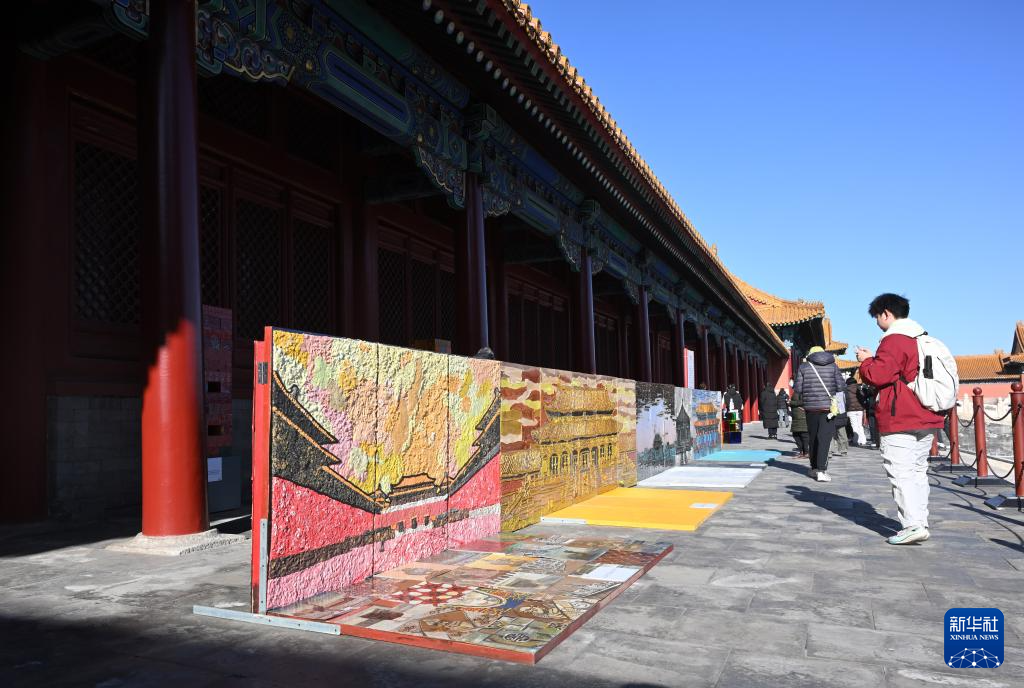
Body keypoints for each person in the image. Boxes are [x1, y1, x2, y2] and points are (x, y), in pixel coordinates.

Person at [856, 293, 946, 545]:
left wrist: (866, 361)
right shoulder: (922, 338)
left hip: (900, 415)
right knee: (918, 471)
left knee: (901, 471)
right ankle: (920, 521)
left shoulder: (894, 339)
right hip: (926, 413)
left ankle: (912, 524)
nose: (877, 322)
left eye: (877, 316)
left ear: (886, 313)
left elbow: (878, 374)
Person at [794, 345, 846, 482]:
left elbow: (798, 388)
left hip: (811, 408)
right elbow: (841, 386)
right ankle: (822, 470)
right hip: (828, 408)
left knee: (813, 438)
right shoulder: (833, 366)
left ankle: (814, 468)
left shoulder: (804, 367)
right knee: (824, 438)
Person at [845, 376, 867, 447]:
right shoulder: (859, 388)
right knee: (860, 425)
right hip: (860, 409)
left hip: (850, 410)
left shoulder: (846, 390)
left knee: (854, 426)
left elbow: (845, 400)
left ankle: (856, 440)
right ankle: (863, 440)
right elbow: (863, 397)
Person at [858, 382, 879, 448]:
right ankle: (876, 440)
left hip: (871, 409)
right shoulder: (877, 389)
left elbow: (864, 396)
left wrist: (865, 389)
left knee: (872, 426)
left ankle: (874, 440)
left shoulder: (869, 390)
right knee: (876, 426)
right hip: (875, 409)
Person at [789, 392, 809, 458]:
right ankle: (802, 451)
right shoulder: (796, 392)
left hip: (802, 417)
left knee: (804, 436)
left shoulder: (802, 391)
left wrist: (791, 402)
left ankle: (806, 452)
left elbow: (803, 401)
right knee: (796, 435)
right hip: (796, 417)